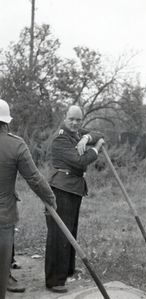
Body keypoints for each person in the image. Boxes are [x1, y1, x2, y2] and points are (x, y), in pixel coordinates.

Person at [0, 99, 57, 299]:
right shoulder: (15, 145)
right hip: (3, 217)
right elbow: (34, 178)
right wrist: (50, 199)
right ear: (6, 122)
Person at [45, 105, 104, 293]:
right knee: (59, 234)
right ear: (65, 117)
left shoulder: (77, 133)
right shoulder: (61, 138)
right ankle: (54, 280)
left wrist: (87, 137)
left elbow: (101, 133)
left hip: (74, 189)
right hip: (61, 189)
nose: (75, 123)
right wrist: (96, 149)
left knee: (71, 230)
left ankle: (67, 270)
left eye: (78, 120)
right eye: (71, 119)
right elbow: (79, 161)